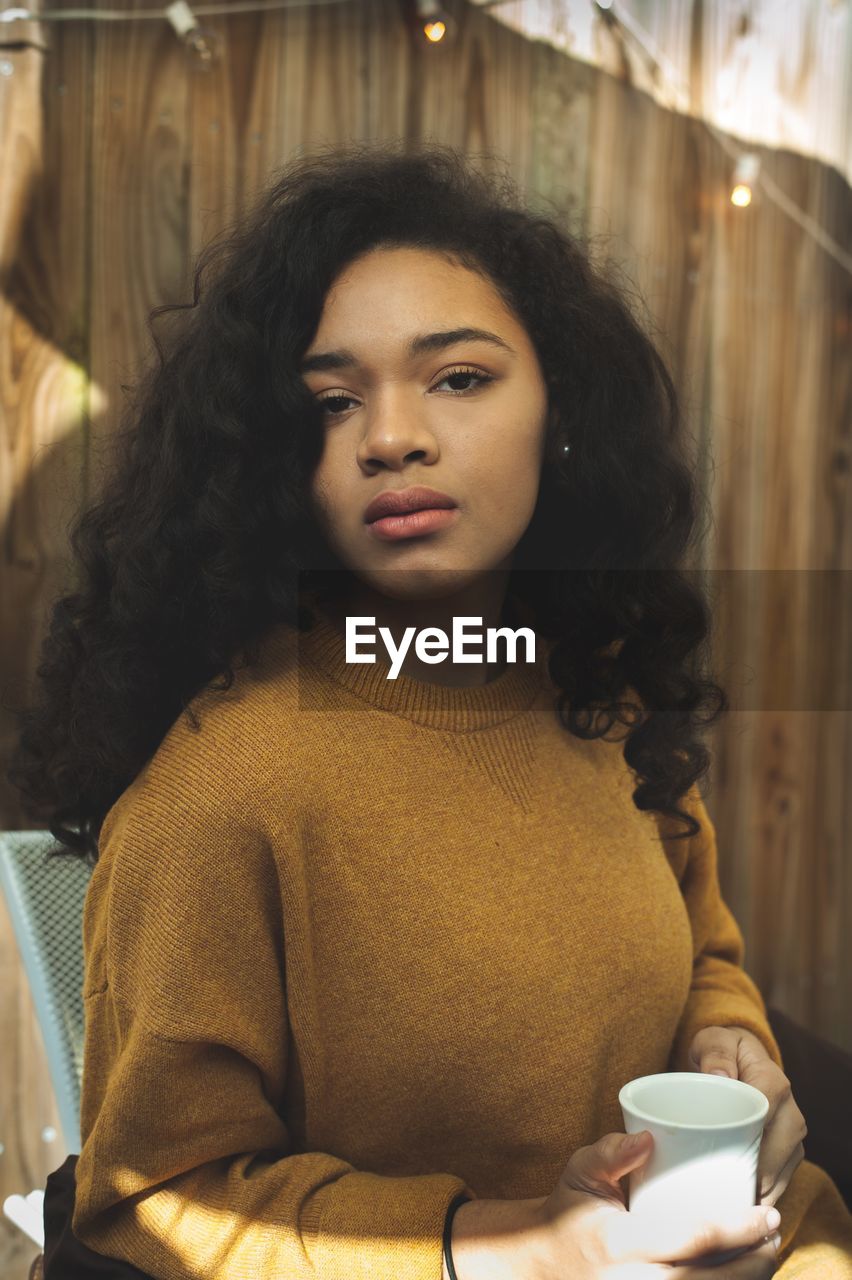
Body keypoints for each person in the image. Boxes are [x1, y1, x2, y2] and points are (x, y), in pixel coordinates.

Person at [7, 140, 852, 1279]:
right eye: (332, 401)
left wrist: (729, 1042)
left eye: (458, 377)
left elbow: (702, 940)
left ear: (561, 409)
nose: (391, 436)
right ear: (276, 461)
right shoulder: (221, 793)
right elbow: (150, 1200)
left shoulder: (597, 691)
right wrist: (525, 1249)